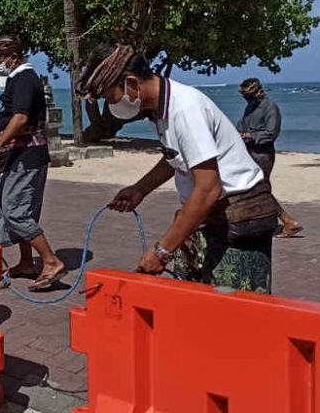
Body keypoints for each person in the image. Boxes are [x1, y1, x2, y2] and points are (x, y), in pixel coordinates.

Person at [79, 45, 279, 293]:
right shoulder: (160, 111)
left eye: (111, 98)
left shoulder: (185, 109)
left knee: (234, 314)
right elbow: (177, 157)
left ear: (132, 84)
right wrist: (140, 189)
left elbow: (208, 189)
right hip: (210, 217)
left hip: (238, 220)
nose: (111, 106)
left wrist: (162, 251)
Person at [0, 36, 64, 291]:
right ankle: (27, 262)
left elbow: (20, 117)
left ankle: (50, 261)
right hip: (17, 156)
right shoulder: (17, 79)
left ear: (12, 57)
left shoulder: (25, 79)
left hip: (27, 156)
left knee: (16, 210)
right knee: (12, 207)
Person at [236, 78, 302, 238]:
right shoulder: (249, 108)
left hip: (263, 154)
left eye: (249, 96)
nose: (247, 100)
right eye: (245, 97)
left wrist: (250, 136)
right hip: (248, 153)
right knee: (252, 188)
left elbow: (271, 133)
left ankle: (288, 221)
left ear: (258, 92)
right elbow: (240, 126)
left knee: (261, 190)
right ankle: (269, 223)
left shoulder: (270, 107)